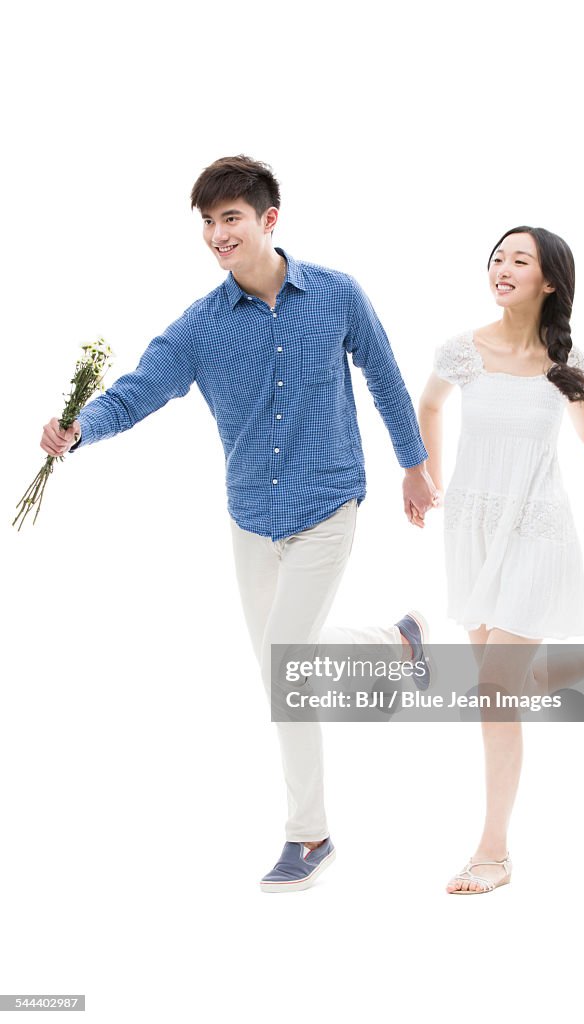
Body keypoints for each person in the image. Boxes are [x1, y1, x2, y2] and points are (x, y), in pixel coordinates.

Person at [40, 155, 438, 893]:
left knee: (287, 668)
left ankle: (308, 834)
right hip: (251, 515)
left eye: (231, 218)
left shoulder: (338, 296)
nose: (218, 234)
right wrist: (80, 429)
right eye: (208, 222)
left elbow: (383, 375)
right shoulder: (199, 328)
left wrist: (412, 466)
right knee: (281, 667)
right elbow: (135, 392)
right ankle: (395, 646)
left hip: (328, 502)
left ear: (268, 220)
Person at [418, 225, 584, 895]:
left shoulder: (566, 358)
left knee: (495, 692)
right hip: (472, 529)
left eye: (518, 260)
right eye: (497, 257)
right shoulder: (462, 350)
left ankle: (493, 852)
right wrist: (427, 481)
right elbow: (428, 407)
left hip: (534, 528)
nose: (501, 267)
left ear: (547, 280)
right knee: (503, 693)